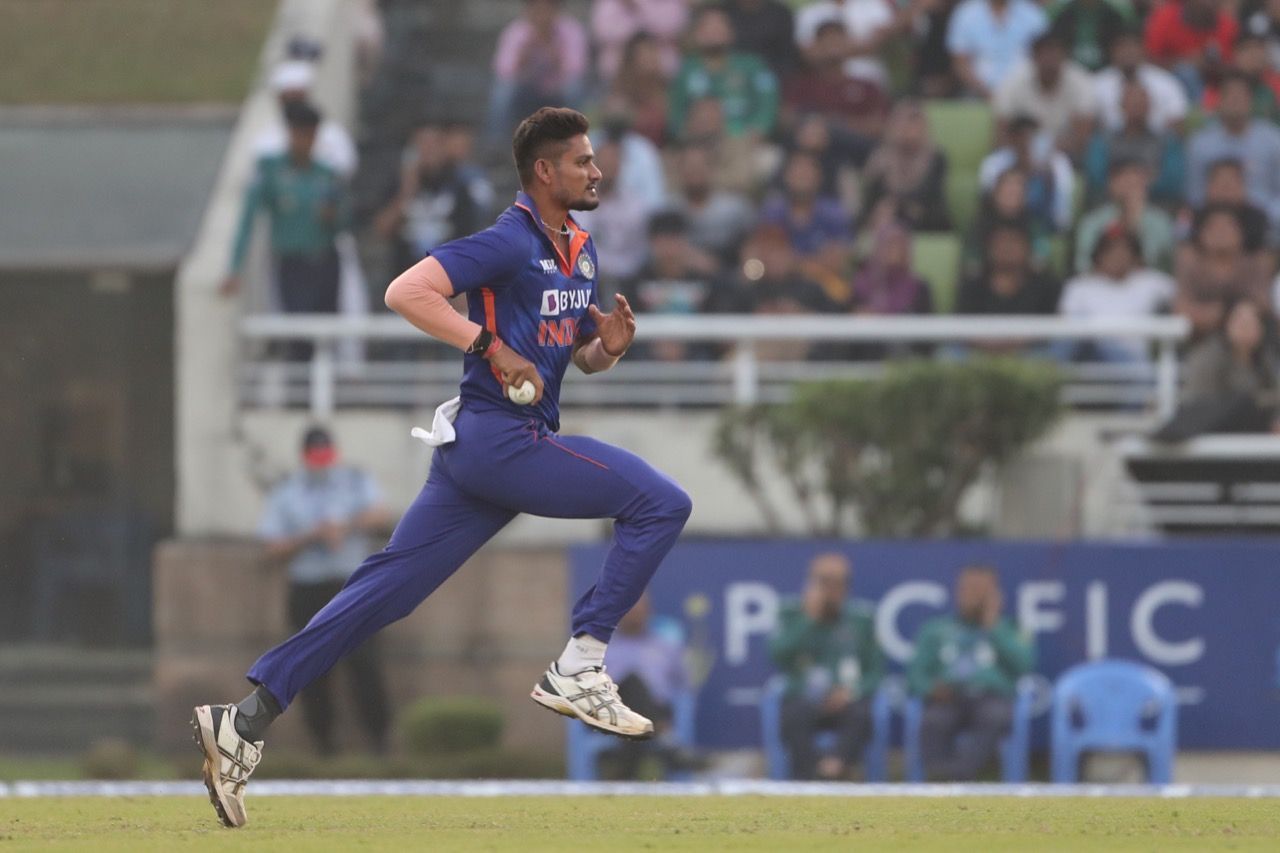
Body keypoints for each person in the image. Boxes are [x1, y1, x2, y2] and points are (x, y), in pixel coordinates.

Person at [194, 107, 693, 829]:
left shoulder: (578, 248)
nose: (597, 171)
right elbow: (406, 291)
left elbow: (575, 353)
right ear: (545, 171)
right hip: (501, 438)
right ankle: (581, 662)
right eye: (582, 161)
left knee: (384, 591)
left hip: (480, 453)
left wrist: (607, 346)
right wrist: (488, 344)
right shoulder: (506, 239)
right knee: (661, 502)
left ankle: (246, 717)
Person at [258, 427, 392, 756]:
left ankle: (379, 742)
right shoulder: (287, 492)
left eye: (326, 457)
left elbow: (382, 515)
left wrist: (344, 526)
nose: (322, 465)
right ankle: (323, 745)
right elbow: (271, 549)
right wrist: (311, 536)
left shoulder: (354, 480)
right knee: (312, 670)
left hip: (350, 586)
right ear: (304, 458)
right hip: (308, 588)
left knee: (365, 664)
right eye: (316, 459)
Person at [224, 102, 348, 359]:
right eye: (300, 134)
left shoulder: (325, 173)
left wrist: (332, 217)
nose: (306, 141)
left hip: (325, 260)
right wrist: (234, 267)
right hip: (292, 263)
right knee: (297, 333)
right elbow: (248, 219)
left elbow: (344, 223)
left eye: (311, 135)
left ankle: (325, 389)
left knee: (328, 331)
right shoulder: (271, 170)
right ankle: (300, 396)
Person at [907, 565, 1035, 781]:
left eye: (980, 590)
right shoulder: (935, 629)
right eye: (968, 589)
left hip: (992, 698)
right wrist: (930, 688)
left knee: (995, 717)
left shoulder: (1013, 628)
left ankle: (957, 776)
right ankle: (939, 779)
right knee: (934, 721)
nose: (973, 596)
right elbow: (914, 675)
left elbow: (1024, 665)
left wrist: (992, 626)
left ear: (994, 594)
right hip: (949, 697)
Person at [768, 553, 885, 781]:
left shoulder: (861, 620)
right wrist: (809, 619)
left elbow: (876, 672)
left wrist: (852, 691)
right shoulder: (791, 614)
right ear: (810, 584)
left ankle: (833, 767)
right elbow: (777, 656)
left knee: (861, 715)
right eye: (824, 582)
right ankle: (811, 776)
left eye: (838, 582)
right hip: (804, 697)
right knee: (793, 715)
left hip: (847, 699)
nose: (831, 589)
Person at [596, 594, 696, 780]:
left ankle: (624, 777)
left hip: (657, 710)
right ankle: (666, 741)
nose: (635, 614)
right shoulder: (602, 647)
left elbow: (683, 684)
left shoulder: (665, 647)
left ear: (649, 612)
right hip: (611, 711)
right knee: (632, 683)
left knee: (637, 712)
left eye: (639, 609)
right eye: (630, 609)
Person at [374, 121, 494, 275]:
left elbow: (471, 235)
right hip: (405, 276)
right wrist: (407, 191)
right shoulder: (400, 183)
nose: (428, 150)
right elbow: (382, 229)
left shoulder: (458, 185)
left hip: (447, 277)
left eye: (434, 143)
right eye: (422, 144)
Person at [1059, 226, 1176, 363]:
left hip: (1132, 363)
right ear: (1099, 254)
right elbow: (1066, 335)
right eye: (1111, 249)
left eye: (1125, 250)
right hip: (1089, 358)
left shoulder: (1151, 282)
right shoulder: (1079, 286)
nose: (1118, 255)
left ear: (1135, 256)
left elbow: (1183, 298)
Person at [1186, 71, 1280, 239]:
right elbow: (1196, 195)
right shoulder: (1201, 144)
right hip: (1215, 218)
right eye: (1230, 96)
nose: (1236, 101)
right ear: (1219, 101)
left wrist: (1266, 216)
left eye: (1241, 96)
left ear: (1251, 101)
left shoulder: (1273, 140)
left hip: (1264, 217)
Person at [667, 6, 780, 141]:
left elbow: (767, 106)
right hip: (698, 144)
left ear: (731, 32)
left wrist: (756, 131)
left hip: (746, 142)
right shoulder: (685, 70)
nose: (714, 30)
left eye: (720, 25)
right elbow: (675, 114)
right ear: (696, 34)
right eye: (708, 26)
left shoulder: (753, 66)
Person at [486, 0, 589, 144]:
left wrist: (556, 58)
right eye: (537, 9)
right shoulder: (516, 31)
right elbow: (503, 70)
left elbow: (576, 69)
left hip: (557, 89)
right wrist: (522, 61)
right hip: (526, 88)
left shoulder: (571, 30)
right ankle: (496, 144)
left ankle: (574, 139)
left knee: (574, 88)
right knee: (503, 91)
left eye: (547, 9)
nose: (542, 16)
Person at [1174, 297, 1280, 433]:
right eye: (1240, 320)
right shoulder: (1209, 359)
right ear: (1226, 323)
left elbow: (1273, 400)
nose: (1246, 327)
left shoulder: (1265, 361)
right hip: (1213, 432)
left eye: (1252, 321)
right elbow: (1199, 405)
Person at [993, 31, 1098, 159]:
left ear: (1065, 56)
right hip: (1021, 155)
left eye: (1054, 53)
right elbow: (1001, 135)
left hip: (1067, 156)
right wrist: (1026, 154)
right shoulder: (1013, 82)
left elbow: (1083, 138)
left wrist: (1048, 151)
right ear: (1033, 57)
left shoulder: (1081, 83)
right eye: (1043, 54)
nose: (1049, 60)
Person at [781, 19, 890, 141]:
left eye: (838, 39)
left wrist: (838, 125)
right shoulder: (801, 85)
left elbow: (880, 125)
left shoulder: (867, 86)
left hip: (857, 150)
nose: (832, 45)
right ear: (815, 46)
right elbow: (786, 118)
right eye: (826, 40)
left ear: (849, 43)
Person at [1082, 81, 1186, 207]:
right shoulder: (1103, 140)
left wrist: (1139, 186)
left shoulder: (1166, 141)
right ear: (1121, 105)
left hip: (1153, 206)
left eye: (1141, 103)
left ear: (1150, 106)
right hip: (1109, 204)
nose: (1136, 107)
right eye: (1132, 103)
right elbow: (1095, 177)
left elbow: (1172, 180)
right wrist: (1122, 186)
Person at [253, 60, 358, 180]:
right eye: (287, 97)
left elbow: (345, 167)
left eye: (297, 96)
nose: (292, 102)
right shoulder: (267, 135)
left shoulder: (332, 133)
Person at [1074, 157, 1176, 275]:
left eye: (1137, 181)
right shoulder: (1092, 222)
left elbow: (1161, 264)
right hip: (1102, 287)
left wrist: (1135, 221)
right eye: (1125, 180)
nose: (1131, 187)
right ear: (1111, 184)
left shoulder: (1161, 221)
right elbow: (1083, 266)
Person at [860, 100, 950, 232]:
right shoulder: (880, 158)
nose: (909, 130)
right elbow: (872, 198)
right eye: (904, 124)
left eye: (914, 124)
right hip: (886, 218)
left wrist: (900, 206)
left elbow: (930, 196)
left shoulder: (936, 158)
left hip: (925, 219)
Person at [979, 114, 1075, 234]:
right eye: (1021, 139)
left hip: (1040, 225)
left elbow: (1062, 218)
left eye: (1030, 138)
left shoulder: (1056, 165)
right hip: (998, 224)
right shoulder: (994, 164)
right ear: (1011, 140)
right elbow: (986, 206)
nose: (1026, 144)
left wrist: (1046, 180)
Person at [669, 143, 756, 264]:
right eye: (689, 166)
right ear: (679, 170)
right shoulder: (669, 209)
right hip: (684, 277)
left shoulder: (735, 208)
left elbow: (752, 244)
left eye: (700, 165)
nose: (695, 171)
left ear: (712, 169)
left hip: (728, 273)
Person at [1093, 27, 1190, 135]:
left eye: (1133, 46)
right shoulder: (1098, 84)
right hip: (1110, 147)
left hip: (1157, 146)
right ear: (1112, 51)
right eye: (1122, 46)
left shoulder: (1166, 82)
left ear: (1143, 49)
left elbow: (1178, 119)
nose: (1128, 52)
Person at [759, 150, 853, 258]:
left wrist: (793, 262)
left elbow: (840, 257)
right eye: (797, 171)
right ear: (786, 176)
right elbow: (763, 253)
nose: (802, 176)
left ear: (819, 177)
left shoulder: (834, 214)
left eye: (807, 173)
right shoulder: (772, 211)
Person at [946, 0, 1049, 97]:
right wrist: (984, 91)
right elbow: (960, 62)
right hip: (977, 93)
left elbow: (1044, 57)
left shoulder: (1032, 14)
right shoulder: (965, 13)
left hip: (1025, 91)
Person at [957, 224, 1061, 319]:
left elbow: (1052, 326)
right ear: (988, 248)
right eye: (1000, 242)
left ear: (1027, 248)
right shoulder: (972, 287)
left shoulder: (1045, 286)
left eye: (1013, 242)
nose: (1007, 248)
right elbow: (962, 325)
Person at [1144, 0, 1239, 100]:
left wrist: (1211, 66)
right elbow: (1149, 62)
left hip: (1215, 87)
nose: (1208, 3)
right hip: (1170, 86)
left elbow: (1235, 67)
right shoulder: (1165, 18)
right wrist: (1185, 62)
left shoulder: (1228, 25)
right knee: (1187, 72)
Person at [794, 0, 902, 87]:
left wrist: (828, 49)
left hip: (870, 81)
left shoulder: (873, 6)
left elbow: (879, 44)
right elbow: (807, 54)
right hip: (823, 87)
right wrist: (858, 46)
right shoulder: (809, 12)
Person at [589, 0, 687, 84]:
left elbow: (672, 27)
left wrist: (638, 10)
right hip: (618, 61)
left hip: (660, 64)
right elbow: (601, 32)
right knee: (610, 61)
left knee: (668, 60)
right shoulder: (608, 3)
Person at [1200, 30, 1280, 120]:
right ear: (1235, 54)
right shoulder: (1221, 83)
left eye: (1259, 48)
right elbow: (1209, 113)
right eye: (1247, 49)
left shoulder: (1275, 81)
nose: (1254, 54)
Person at [1048, 0, 1135, 72]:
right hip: (1069, 72)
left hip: (1107, 72)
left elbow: (1122, 46)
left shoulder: (1116, 14)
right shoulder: (1060, 13)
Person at [725, 0, 802, 77]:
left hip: (774, 76)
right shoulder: (723, 11)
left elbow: (787, 54)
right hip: (730, 77)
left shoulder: (780, 13)